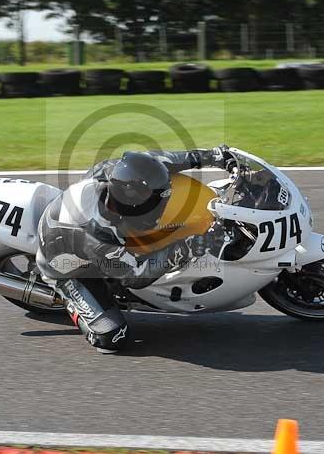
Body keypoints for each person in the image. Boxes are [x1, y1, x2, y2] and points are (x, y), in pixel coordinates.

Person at [35, 146, 232, 353]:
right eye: (156, 202)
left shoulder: (123, 172)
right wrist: (190, 246)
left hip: (94, 229)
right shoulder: (99, 236)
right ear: (132, 204)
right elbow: (136, 276)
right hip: (70, 267)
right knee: (111, 338)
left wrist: (216, 156)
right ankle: (67, 295)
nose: (162, 205)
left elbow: (164, 160)